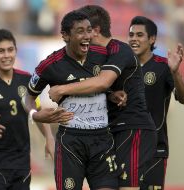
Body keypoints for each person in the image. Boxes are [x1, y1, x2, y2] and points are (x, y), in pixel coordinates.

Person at [48, 5, 157, 190]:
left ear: (96, 30)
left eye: (87, 30)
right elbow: (101, 90)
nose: (83, 37)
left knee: (127, 187)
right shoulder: (94, 57)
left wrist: (62, 89)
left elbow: (102, 82)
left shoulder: (119, 50)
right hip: (111, 129)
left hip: (132, 128)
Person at [0, 29, 72, 190]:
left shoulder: (27, 79)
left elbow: (37, 111)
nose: (6, 55)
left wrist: (48, 138)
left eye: (10, 50)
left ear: (16, 51)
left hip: (22, 165)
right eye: (0, 51)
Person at [26, 10, 118, 190]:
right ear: (65, 36)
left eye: (89, 30)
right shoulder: (49, 65)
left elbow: (112, 82)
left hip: (102, 139)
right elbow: (28, 97)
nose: (87, 36)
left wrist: (115, 94)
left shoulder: (104, 54)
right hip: (70, 142)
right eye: (80, 31)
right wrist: (34, 115)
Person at [128, 16, 184, 190]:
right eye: (131, 34)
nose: (134, 39)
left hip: (154, 148)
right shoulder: (121, 68)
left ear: (152, 39)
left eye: (140, 35)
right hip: (124, 146)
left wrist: (176, 73)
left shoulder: (164, 67)